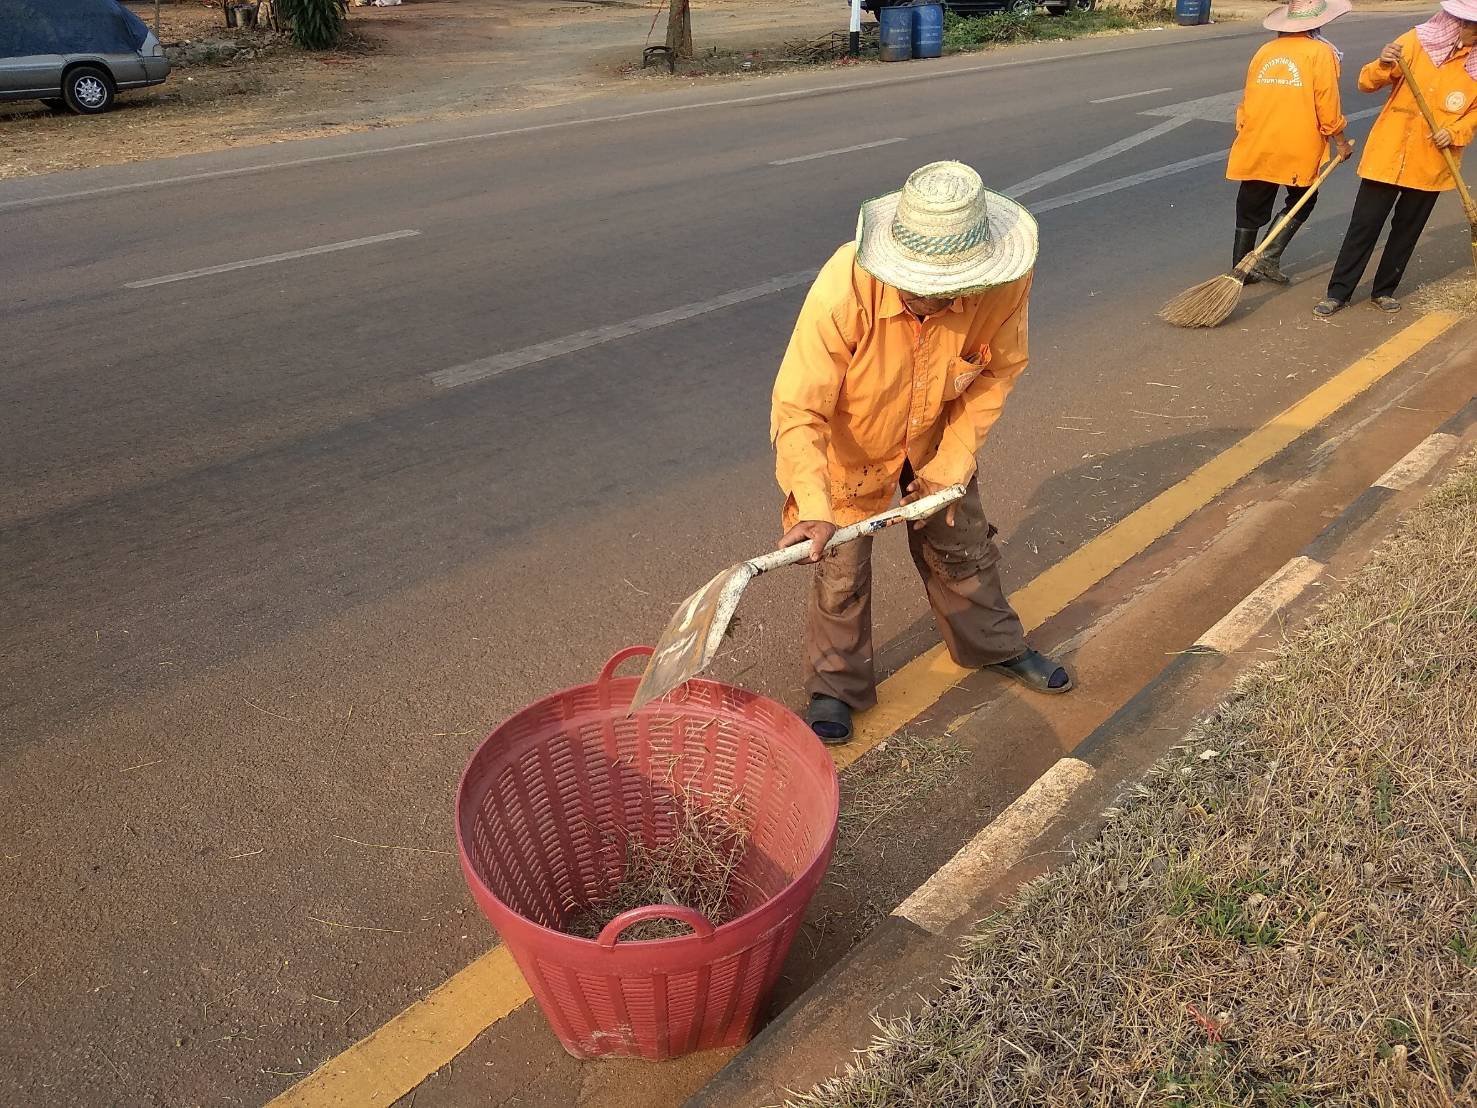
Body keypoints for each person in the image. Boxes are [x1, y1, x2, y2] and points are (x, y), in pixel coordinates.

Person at [770, 161, 1072, 744]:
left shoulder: (1004, 284)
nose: (931, 302)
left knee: (962, 546)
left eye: (946, 292)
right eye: (917, 291)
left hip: (938, 429)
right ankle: (835, 685)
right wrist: (812, 504)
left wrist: (950, 466)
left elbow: (999, 372)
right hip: (855, 443)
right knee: (841, 569)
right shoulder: (845, 287)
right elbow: (798, 407)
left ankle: (992, 645)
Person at [1316, 0, 1477, 315]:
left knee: (1407, 229)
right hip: (1388, 153)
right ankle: (1338, 293)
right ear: (1456, 23)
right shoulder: (1416, 41)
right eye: (1472, 26)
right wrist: (1383, 62)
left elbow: (1473, 114)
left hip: (1432, 160)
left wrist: (1455, 132)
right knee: (1364, 225)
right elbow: (1366, 82)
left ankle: (1384, 291)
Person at [1226, 0, 1354, 285]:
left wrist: (1244, 128)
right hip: (1297, 143)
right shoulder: (1320, 53)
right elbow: (1327, 105)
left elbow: (1248, 99)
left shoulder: (1265, 50)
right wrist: (1341, 141)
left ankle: (1240, 268)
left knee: (1250, 204)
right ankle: (1266, 259)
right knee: (1302, 200)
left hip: (1258, 139)